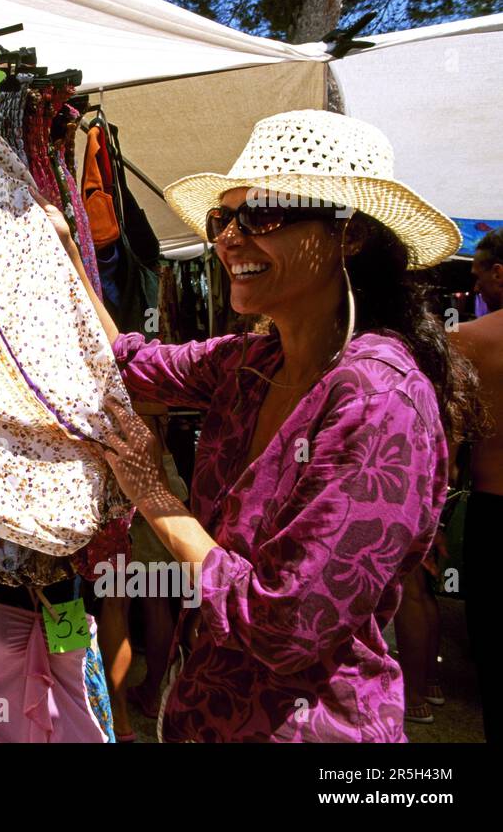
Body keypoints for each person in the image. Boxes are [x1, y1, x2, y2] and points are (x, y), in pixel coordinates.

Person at [46, 110, 482, 741]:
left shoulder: (380, 399)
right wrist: (65, 253)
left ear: (349, 236)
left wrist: (155, 500)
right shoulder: (253, 359)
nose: (229, 239)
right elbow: (124, 364)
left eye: (266, 216)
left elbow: (286, 626)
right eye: (224, 220)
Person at [448, 225, 503, 740]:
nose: (477, 285)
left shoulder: (468, 340)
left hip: (494, 512)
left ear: (499, 273)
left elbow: (448, 439)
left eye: (479, 272)